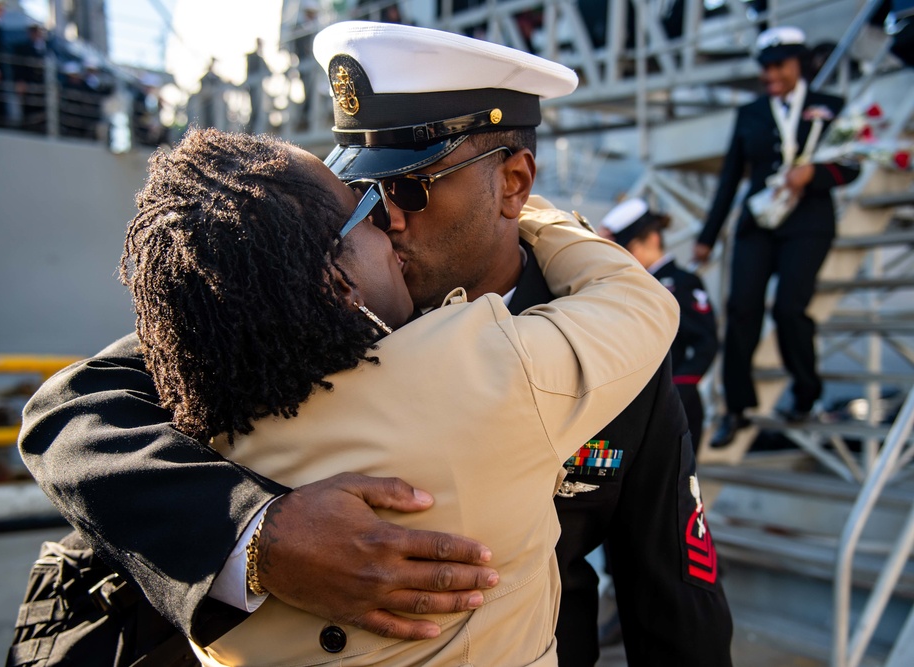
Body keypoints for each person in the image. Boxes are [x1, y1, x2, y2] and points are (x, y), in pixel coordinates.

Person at [19, 20, 733, 666]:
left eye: (414, 187)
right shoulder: (322, 297)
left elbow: (672, 593)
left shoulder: (601, 346)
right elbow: (72, 410)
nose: (385, 217)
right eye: (365, 186)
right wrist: (258, 533)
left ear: (514, 182)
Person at [122, 127, 678, 665]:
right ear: (337, 281)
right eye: (365, 209)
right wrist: (530, 212)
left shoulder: (189, 405)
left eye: (407, 189)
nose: (389, 221)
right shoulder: (487, 367)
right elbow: (638, 302)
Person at [694, 26, 861, 447]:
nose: (769, 74)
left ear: (799, 65)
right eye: (764, 67)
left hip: (808, 223)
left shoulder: (830, 106)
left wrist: (816, 174)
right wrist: (708, 236)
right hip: (758, 222)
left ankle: (806, 391)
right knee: (741, 310)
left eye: (778, 66)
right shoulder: (750, 113)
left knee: (789, 309)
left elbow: (853, 164)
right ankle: (737, 407)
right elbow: (730, 179)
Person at [599, 198, 719, 450]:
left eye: (628, 247)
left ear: (653, 238)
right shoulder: (626, 285)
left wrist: (677, 389)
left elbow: (706, 342)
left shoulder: (681, 283)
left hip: (671, 405)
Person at [12, 24, 48, 134]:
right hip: (28, 85)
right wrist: (20, 81)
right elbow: (18, 67)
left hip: (42, 87)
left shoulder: (45, 49)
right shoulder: (22, 48)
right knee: (28, 109)